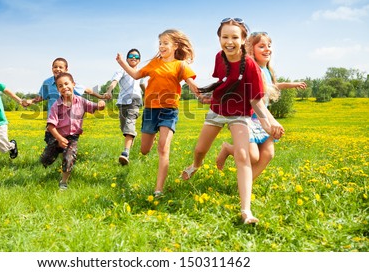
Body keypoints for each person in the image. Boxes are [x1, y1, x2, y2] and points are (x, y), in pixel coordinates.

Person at [180, 18, 284, 224]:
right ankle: (195, 165)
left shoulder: (252, 67)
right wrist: (209, 95)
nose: (229, 41)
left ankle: (246, 210)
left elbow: (256, 101)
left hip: (240, 113)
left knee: (244, 156)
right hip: (218, 109)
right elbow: (223, 80)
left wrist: (267, 124)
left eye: (235, 37)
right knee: (200, 149)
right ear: (219, 38)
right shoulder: (219, 57)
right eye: (224, 37)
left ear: (243, 39)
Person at [116, 29, 199, 198]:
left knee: (163, 148)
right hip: (150, 110)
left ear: (175, 46)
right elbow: (136, 74)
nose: (161, 46)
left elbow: (191, 83)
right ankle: (151, 139)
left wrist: (202, 95)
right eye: (160, 43)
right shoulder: (154, 62)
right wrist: (121, 62)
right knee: (145, 150)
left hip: (169, 111)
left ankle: (158, 190)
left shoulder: (180, 65)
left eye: (165, 43)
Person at [215, 31, 307, 180]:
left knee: (268, 153)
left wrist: (293, 84)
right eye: (262, 46)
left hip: (263, 117)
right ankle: (228, 148)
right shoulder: (251, 68)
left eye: (269, 46)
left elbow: (274, 85)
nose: (267, 49)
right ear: (251, 49)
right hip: (247, 116)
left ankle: (244, 187)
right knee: (252, 156)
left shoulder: (267, 70)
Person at [40, 72, 105, 190]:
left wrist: (101, 105)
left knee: (69, 157)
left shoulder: (81, 101)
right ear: (58, 89)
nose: (64, 87)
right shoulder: (56, 105)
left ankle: (63, 182)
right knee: (46, 159)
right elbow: (50, 126)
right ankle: (52, 157)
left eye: (66, 84)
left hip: (72, 137)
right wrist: (59, 139)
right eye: (60, 86)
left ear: (73, 84)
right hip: (57, 136)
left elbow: (95, 107)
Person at [27, 57, 106, 144]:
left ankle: (65, 154)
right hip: (54, 120)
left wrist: (100, 97)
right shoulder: (47, 83)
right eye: (55, 67)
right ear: (52, 68)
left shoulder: (69, 82)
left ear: (66, 69)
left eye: (61, 67)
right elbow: (41, 96)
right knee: (52, 144)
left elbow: (87, 90)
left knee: (67, 144)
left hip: (67, 120)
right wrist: (31, 101)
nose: (57, 69)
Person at [104, 48, 146, 165]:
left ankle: (125, 152)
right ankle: (130, 140)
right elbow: (114, 82)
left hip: (135, 101)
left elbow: (143, 85)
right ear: (127, 59)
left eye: (137, 57)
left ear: (139, 60)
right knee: (124, 128)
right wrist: (109, 91)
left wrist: (149, 96)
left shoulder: (140, 72)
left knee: (130, 123)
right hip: (123, 102)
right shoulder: (121, 70)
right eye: (131, 56)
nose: (134, 58)